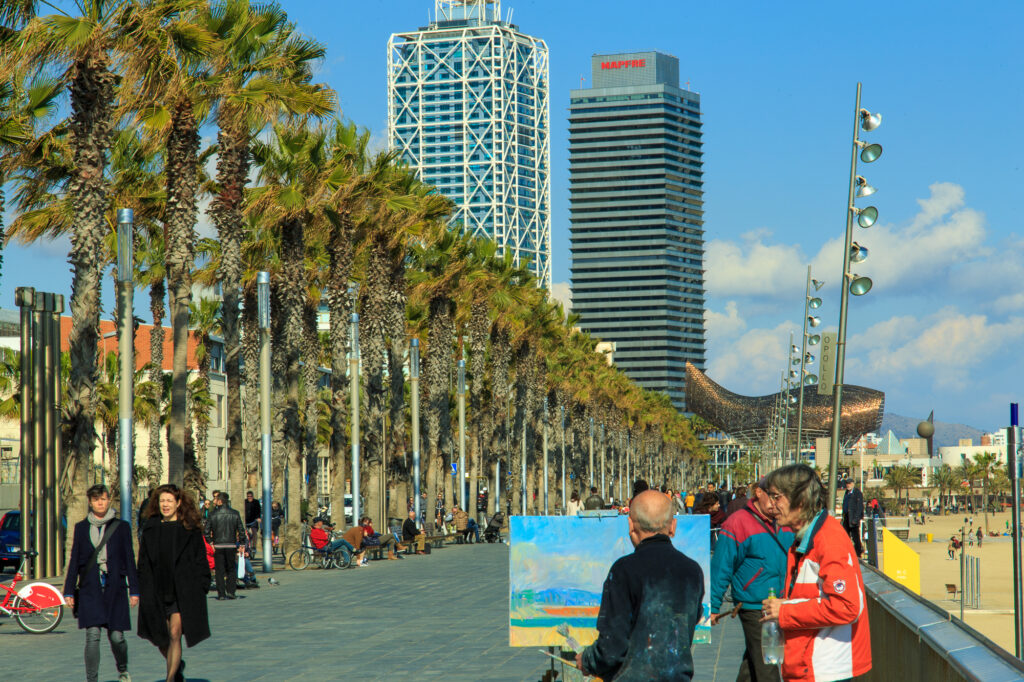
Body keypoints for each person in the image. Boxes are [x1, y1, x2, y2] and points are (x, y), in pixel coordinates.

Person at [576, 490, 704, 680]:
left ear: (630, 525)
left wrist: (587, 660)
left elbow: (612, 648)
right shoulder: (692, 571)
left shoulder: (624, 570)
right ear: (673, 527)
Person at [761, 464, 872, 682]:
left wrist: (784, 612)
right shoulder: (808, 536)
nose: (769, 505)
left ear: (800, 501)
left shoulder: (827, 539)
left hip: (823, 668)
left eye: (776, 497)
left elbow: (846, 606)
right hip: (809, 665)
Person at [710, 481, 793, 682]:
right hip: (754, 604)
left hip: (783, 601)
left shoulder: (786, 520)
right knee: (768, 667)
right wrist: (713, 606)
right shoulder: (737, 522)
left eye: (780, 497)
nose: (776, 503)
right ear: (758, 492)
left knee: (753, 662)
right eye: (773, 496)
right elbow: (722, 566)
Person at [64, 484, 140, 682]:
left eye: (104, 499)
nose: (100, 502)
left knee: (117, 637)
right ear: (90, 502)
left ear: (109, 500)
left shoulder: (121, 527)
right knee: (92, 635)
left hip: (115, 587)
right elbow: (74, 561)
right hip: (91, 588)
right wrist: (69, 591)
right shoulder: (81, 528)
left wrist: (135, 590)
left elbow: (129, 559)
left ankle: (122, 668)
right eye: (96, 499)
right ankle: (92, 679)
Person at [137, 484, 211, 682]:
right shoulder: (151, 528)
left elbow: (200, 558)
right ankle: (177, 668)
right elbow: (143, 561)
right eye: (162, 501)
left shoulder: (189, 528)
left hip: (182, 591)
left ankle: (170, 679)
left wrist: (203, 583)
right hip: (156, 590)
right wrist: (141, 586)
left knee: (175, 633)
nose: (165, 505)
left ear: (178, 503)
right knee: (160, 638)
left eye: (169, 501)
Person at [205, 492, 245, 600]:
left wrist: (211, 542)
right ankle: (231, 592)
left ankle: (221, 594)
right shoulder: (235, 513)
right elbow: (241, 529)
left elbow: (206, 531)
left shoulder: (213, 514)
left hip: (218, 546)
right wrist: (241, 543)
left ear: (220, 501)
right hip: (231, 545)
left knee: (219, 570)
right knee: (231, 569)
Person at [841, 478, 865, 558]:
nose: (848, 485)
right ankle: (847, 552)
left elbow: (859, 507)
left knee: (855, 537)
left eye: (849, 483)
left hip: (853, 518)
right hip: (847, 518)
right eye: (847, 483)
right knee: (845, 536)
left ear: (853, 484)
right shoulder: (847, 493)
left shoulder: (857, 493)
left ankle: (858, 552)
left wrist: (856, 519)